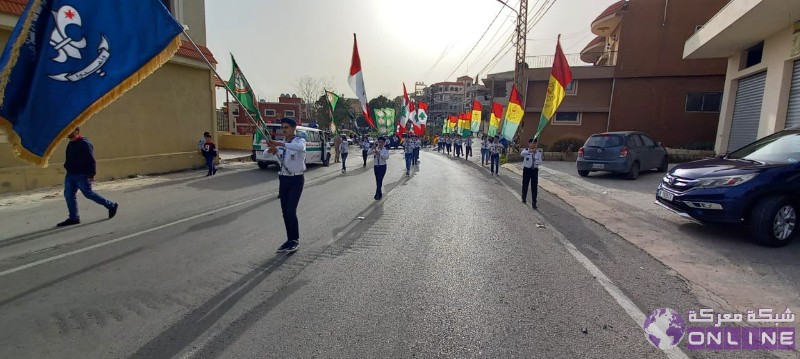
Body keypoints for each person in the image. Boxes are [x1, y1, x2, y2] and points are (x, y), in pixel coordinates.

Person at [57, 127, 119, 227]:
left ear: (77, 131)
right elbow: (68, 157)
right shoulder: (70, 144)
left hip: (82, 174)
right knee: (69, 195)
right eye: (67, 131)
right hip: (70, 175)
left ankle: (111, 205)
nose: (68, 133)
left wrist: (91, 174)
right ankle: (74, 217)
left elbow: (91, 160)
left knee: (88, 194)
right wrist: (67, 166)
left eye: (71, 130)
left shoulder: (84, 144)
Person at [268, 118, 306, 253]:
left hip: (296, 179)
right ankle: (289, 239)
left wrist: (280, 144)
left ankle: (295, 240)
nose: (284, 130)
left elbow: (300, 148)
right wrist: (272, 149)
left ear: (293, 128)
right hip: (283, 179)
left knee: (290, 211)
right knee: (285, 213)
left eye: (287, 127)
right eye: (282, 127)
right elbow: (268, 153)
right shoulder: (283, 144)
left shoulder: (299, 141)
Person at [521, 138, 543, 209]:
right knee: (525, 184)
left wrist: (534, 161)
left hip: (534, 170)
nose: (533, 144)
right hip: (527, 170)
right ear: (529, 144)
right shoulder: (526, 150)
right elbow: (522, 154)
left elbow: (540, 162)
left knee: (534, 186)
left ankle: (534, 203)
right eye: (532, 143)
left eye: (535, 143)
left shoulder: (538, 152)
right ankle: (524, 198)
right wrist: (530, 152)